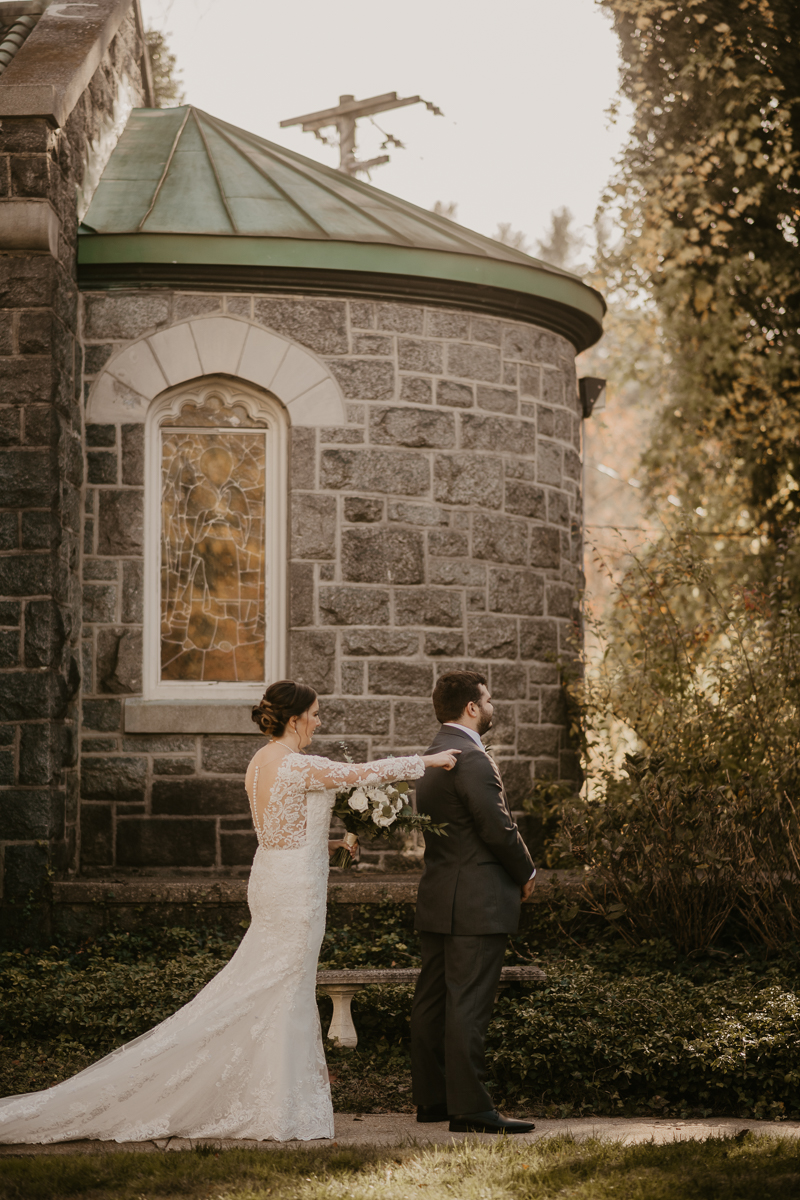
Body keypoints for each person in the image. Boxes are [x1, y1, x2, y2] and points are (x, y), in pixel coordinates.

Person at [0, 680, 459, 1145]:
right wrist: (427, 761)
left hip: (273, 878)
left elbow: (283, 835)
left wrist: (332, 844)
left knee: (271, 985)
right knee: (285, 989)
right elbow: (362, 773)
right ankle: (279, 1108)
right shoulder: (298, 764)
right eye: (316, 713)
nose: (320, 721)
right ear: (296, 718)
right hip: (296, 894)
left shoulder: (259, 764)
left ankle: (275, 1097)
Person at [410, 670, 536, 1134]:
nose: (491, 705)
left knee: (433, 1000)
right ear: (471, 708)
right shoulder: (473, 759)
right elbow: (497, 827)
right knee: (468, 1002)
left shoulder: (431, 757)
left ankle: (433, 1099)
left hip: (440, 894)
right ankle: (470, 1108)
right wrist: (526, 873)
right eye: (488, 699)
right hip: (477, 901)